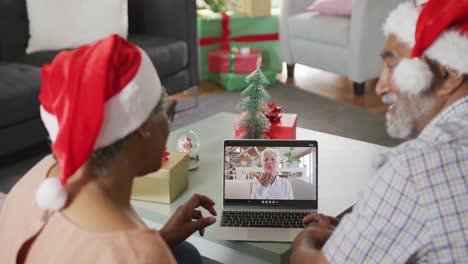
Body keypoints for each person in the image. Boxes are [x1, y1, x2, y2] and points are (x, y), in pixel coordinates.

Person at [0, 34, 216, 264]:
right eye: (168, 111)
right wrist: (151, 247)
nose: (170, 123)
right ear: (142, 126)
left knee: (187, 253)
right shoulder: (141, 255)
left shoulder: (34, 178)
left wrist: (161, 238)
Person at [290, 0, 468, 263]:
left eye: (393, 67)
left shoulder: (414, 170)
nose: (380, 88)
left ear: (448, 75)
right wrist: (359, 233)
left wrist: (306, 238)